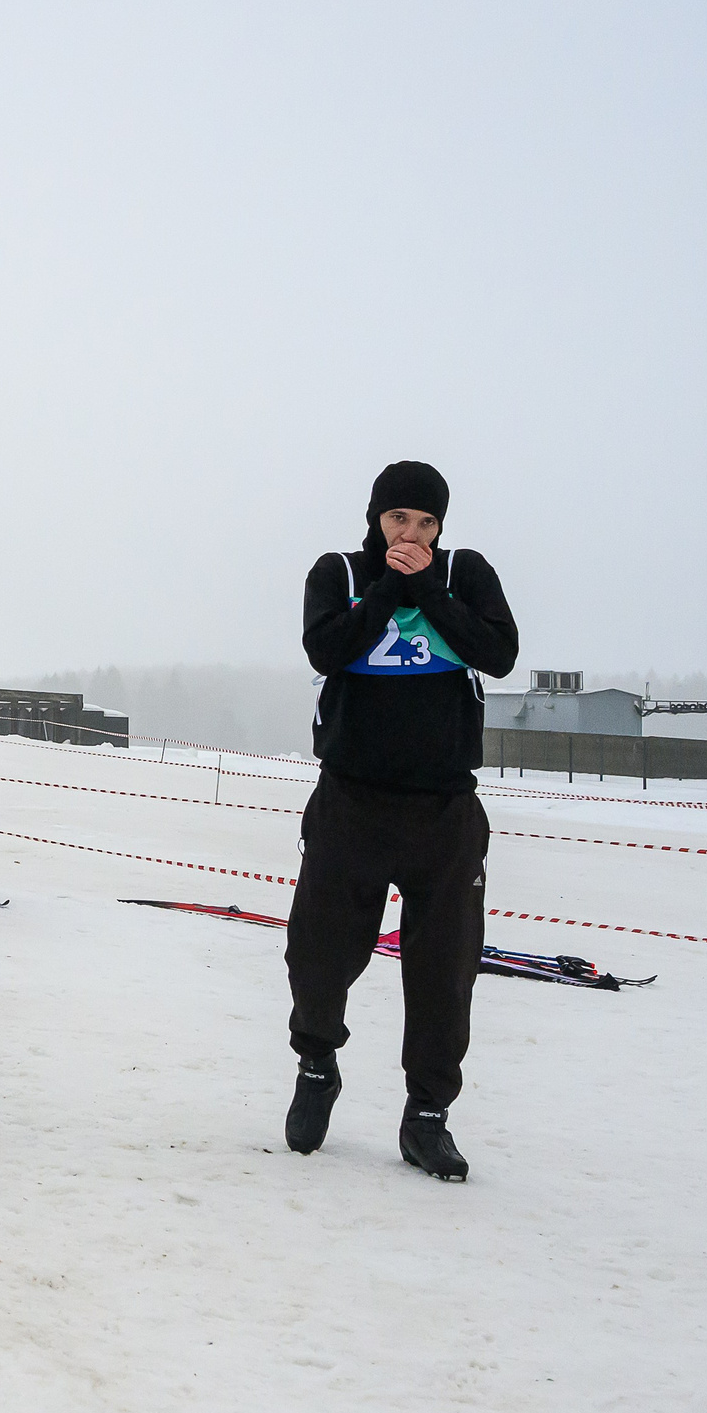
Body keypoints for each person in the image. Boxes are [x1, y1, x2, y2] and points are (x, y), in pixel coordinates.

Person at [285, 460, 518, 1182]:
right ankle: (318, 1063)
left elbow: (499, 654)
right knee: (319, 954)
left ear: (441, 525)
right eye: (397, 520)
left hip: (444, 810)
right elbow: (327, 648)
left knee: (445, 969)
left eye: (424, 522)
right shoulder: (340, 573)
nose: (410, 533)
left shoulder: (466, 575)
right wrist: (391, 588)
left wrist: (426, 589)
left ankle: (427, 1114)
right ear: (375, 519)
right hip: (352, 801)